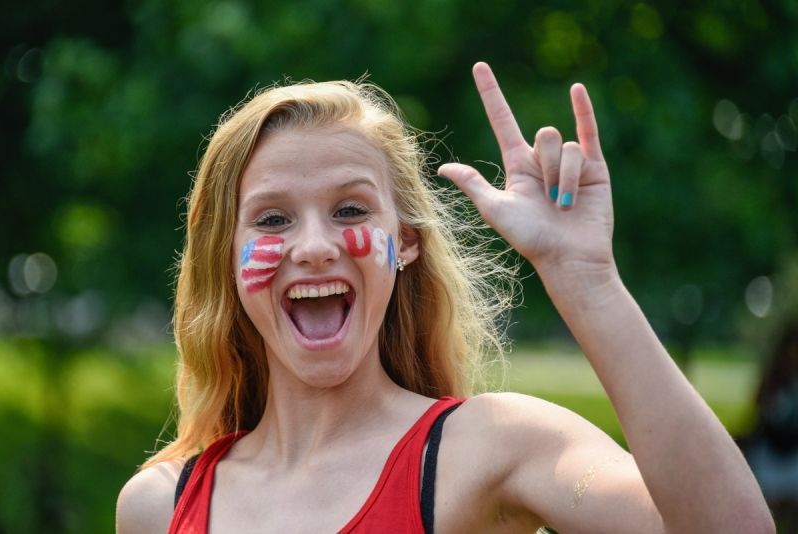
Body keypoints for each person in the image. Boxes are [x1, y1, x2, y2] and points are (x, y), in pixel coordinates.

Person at [116, 62, 774, 533]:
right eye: (272, 219)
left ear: (404, 244)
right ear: (224, 261)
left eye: (350, 209)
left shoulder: (487, 448)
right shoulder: (159, 507)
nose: (314, 246)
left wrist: (587, 280)